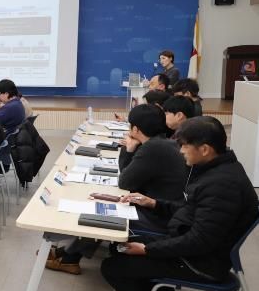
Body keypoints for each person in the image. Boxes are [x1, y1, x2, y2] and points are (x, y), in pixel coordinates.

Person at [101, 117, 258, 291]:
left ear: (204, 149)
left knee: (113, 267)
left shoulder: (222, 184)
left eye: (184, 145)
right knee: (119, 247)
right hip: (192, 247)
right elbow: (191, 211)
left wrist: (147, 249)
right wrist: (154, 203)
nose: (181, 151)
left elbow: (199, 241)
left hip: (202, 262)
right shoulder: (217, 169)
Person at [47, 105, 188, 274]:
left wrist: (128, 149)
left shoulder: (152, 148)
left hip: (159, 216)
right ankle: (69, 254)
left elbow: (125, 182)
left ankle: (69, 258)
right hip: (162, 209)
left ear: (135, 129)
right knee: (105, 205)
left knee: (104, 212)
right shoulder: (162, 143)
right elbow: (131, 178)